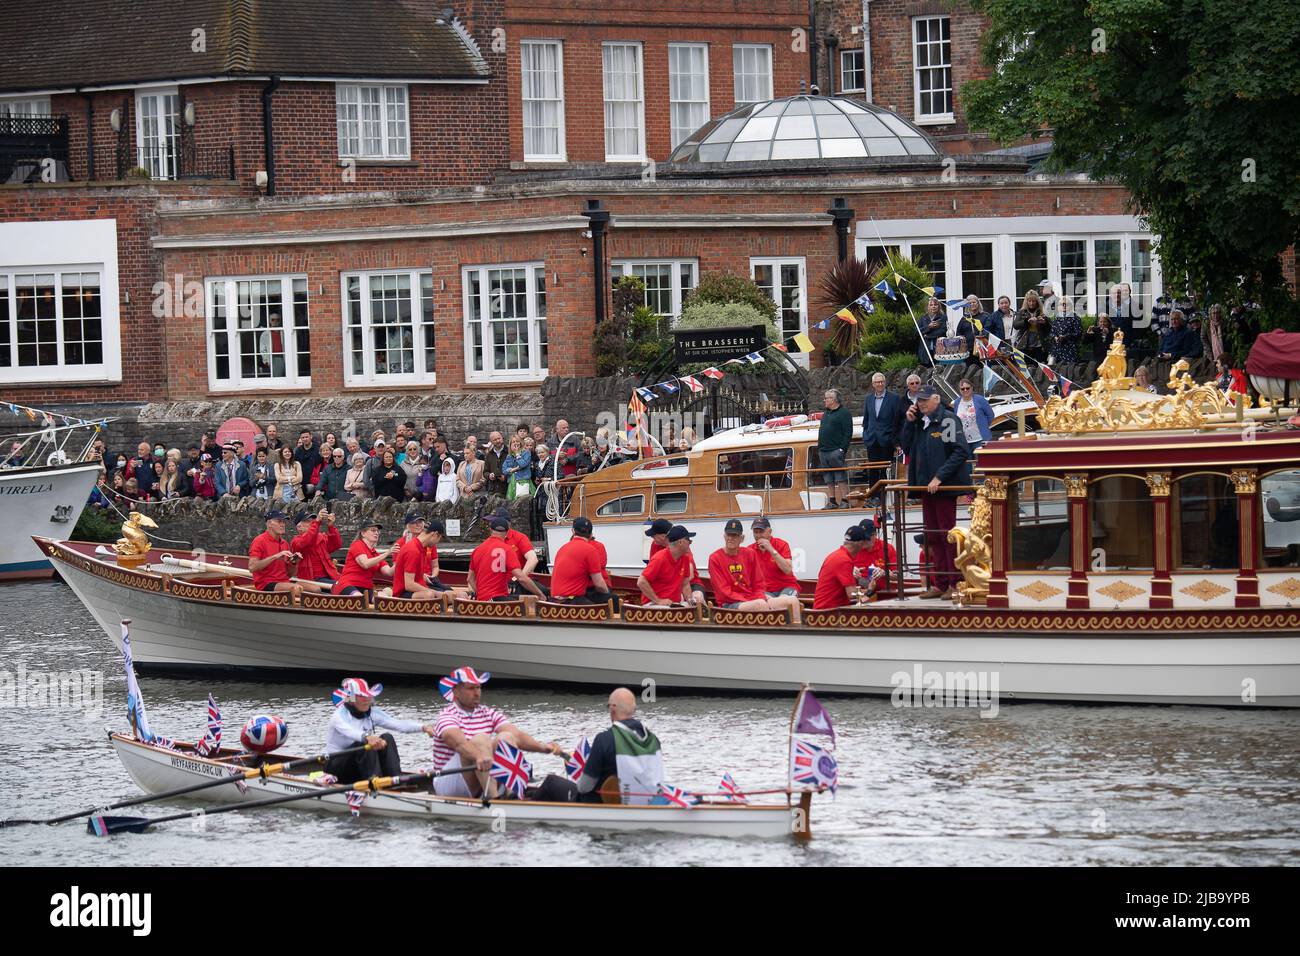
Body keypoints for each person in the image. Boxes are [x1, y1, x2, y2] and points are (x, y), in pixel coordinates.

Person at [431, 667, 564, 799]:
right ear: (456, 691)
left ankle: (512, 794)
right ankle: (493, 798)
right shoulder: (447, 716)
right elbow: (459, 744)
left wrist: (543, 747)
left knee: (506, 737)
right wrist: (479, 756)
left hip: (480, 772)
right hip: (449, 782)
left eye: (478, 687)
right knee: (481, 739)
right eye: (471, 688)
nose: (477, 693)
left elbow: (517, 735)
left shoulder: (487, 713)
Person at [900, 385, 971, 600]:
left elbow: (960, 451)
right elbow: (905, 446)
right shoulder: (921, 423)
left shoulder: (947, 420)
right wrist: (909, 423)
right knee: (933, 537)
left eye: (924, 400)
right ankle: (940, 583)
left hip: (944, 487)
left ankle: (955, 582)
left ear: (936, 399)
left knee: (947, 535)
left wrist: (940, 477)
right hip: (926, 488)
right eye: (918, 401)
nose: (920, 404)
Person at [324, 677, 435, 782]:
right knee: (362, 744)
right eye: (362, 696)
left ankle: (395, 779)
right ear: (351, 699)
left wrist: (423, 727)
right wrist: (368, 737)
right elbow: (351, 732)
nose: (367, 700)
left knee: (387, 737)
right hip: (336, 768)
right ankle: (375, 783)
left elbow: (398, 724)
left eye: (368, 696)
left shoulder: (372, 713)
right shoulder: (339, 715)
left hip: (359, 764)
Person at [575, 687, 665, 805]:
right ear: (633, 710)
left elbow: (584, 787)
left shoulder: (604, 740)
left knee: (551, 784)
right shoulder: (653, 739)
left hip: (604, 805)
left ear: (613, 709)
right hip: (646, 804)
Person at [707, 518, 798, 615]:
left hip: (757, 596)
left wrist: (758, 597)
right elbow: (723, 592)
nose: (730, 538)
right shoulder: (715, 558)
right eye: (728, 534)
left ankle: (792, 630)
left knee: (792, 601)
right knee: (761, 605)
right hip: (730, 603)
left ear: (742, 538)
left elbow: (758, 583)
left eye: (735, 535)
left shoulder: (750, 553)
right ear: (724, 536)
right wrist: (752, 598)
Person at [468, 514, 546, 601]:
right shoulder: (506, 549)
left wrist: (480, 595)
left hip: (483, 600)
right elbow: (521, 578)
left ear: (490, 530)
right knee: (533, 601)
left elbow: (470, 579)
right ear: (506, 532)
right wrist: (540, 594)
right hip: (499, 599)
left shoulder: (477, 550)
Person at [248, 510, 321, 594]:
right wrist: (275, 556)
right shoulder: (259, 541)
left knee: (316, 589)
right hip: (265, 583)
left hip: (284, 581)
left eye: (283, 522)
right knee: (296, 588)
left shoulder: (285, 543)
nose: (283, 524)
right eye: (279, 521)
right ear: (269, 524)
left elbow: (289, 574)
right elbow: (252, 567)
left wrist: (294, 563)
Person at [549, 517, 612, 605]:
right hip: (571, 600)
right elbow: (599, 584)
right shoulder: (591, 550)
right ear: (590, 534)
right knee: (614, 600)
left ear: (573, 531)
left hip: (555, 599)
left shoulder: (562, 548)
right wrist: (609, 596)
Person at [637, 525, 704, 606]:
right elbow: (641, 582)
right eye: (688, 540)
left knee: (694, 610)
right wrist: (658, 600)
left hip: (673, 604)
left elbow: (685, 584)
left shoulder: (685, 558)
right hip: (654, 604)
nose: (690, 542)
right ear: (680, 542)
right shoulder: (659, 558)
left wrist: (691, 603)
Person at [861, 372, 903, 503]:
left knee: (885, 470)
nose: (879, 384)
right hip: (872, 439)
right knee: (873, 470)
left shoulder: (894, 398)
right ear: (873, 384)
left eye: (881, 381)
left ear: (885, 382)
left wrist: (894, 439)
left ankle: (884, 497)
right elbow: (866, 419)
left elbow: (898, 420)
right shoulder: (868, 398)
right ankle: (873, 496)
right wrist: (866, 435)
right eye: (877, 382)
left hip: (887, 439)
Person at [748, 518, 802, 617]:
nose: (759, 535)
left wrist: (771, 549)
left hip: (787, 586)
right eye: (756, 532)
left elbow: (788, 570)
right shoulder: (749, 550)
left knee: (785, 601)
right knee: (771, 603)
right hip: (765, 590)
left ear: (770, 531)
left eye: (762, 531)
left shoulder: (782, 544)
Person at [392, 518, 452, 600]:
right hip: (404, 593)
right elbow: (409, 585)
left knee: (452, 594)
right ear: (435, 534)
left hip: (418, 588)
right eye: (439, 538)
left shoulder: (422, 548)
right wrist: (436, 593)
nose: (438, 542)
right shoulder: (412, 550)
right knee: (429, 595)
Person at [813, 525, 870, 609]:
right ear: (860, 543)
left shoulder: (837, 555)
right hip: (829, 614)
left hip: (826, 611)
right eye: (865, 541)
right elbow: (852, 594)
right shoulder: (844, 560)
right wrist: (870, 591)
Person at [332, 521, 395, 596]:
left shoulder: (376, 554)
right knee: (359, 598)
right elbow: (365, 564)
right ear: (363, 533)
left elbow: (389, 572)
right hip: (348, 585)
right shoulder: (357, 545)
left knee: (383, 599)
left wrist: (400, 558)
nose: (377, 533)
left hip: (366, 588)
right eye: (373, 530)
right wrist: (387, 553)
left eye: (378, 531)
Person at [817, 388, 852, 509]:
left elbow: (848, 433)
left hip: (835, 450)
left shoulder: (844, 413)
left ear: (833, 400)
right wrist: (820, 446)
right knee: (828, 478)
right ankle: (832, 500)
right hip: (824, 450)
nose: (824, 400)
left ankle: (845, 499)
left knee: (840, 476)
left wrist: (842, 449)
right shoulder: (826, 413)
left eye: (827, 398)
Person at [291, 508, 342, 586]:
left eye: (313, 520)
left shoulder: (321, 537)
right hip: (311, 580)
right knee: (344, 587)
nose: (312, 522)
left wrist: (331, 526)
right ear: (299, 527)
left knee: (352, 583)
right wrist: (317, 522)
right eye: (308, 521)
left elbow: (336, 545)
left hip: (329, 576)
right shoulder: (296, 541)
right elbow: (307, 540)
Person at [853, 517, 897, 597]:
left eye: (866, 538)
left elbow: (898, 576)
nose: (863, 541)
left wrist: (885, 573)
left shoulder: (887, 548)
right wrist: (850, 571)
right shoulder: (854, 549)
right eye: (861, 537)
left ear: (875, 535)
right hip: (860, 593)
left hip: (884, 594)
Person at [954, 378, 994, 457]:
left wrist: (984, 426)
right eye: (962, 389)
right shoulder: (957, 402)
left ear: (972, 388)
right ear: (959, 390)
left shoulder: (980, 400)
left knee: (982, 464)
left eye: (967, 388)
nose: (965, 390)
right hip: (965, 441)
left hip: (980, 439)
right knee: (968, 465)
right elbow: (956, 419)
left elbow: (990, 415)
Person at [1013, 289, 1051, 365]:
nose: (1031, 303)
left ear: (1037, 301)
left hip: (1040, 344)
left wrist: (1044, 323)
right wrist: (1027, 321)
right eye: (1029, 301)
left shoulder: (1043, 311)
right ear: (1026, 302)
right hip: (1025, 344)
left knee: (1041, 365)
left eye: (1034, 301)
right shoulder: (1021, 312)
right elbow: (1016, 325)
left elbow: (1050, 328)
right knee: (1026, 366)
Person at [1051, 296, 1082, 367]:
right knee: (1054, 370)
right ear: (1058, 307)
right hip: (1057, 349)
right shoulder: (1056, 318)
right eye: (1062, 304)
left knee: (1068, 371)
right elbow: (1052, 332)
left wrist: (1065, 337)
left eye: (1066, 304)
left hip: (1070, 349)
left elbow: (1078, 333)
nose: (1064, 306)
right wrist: (1055, 337)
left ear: (1071, 306)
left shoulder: (1075, 318)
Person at [501, 435, 534, 500]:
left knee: (523, 503)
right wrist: (513, 469)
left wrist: (517, 454)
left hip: (523, 482)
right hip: (512, 483)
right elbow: (504, 470)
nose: (515, 443)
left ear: (521, 443)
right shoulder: (509, 456)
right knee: (511, 503)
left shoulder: (526, 453)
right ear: (510, 445)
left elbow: (523, 464)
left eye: (517, 441)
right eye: (513, 442)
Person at [482, 431, 508, 498]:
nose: (498, 441)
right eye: (495, 440)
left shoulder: (509, 452)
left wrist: (505, 477)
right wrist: (490, 476)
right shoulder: (489, 455)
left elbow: (514, 469)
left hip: (507, 488)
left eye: (499, 438)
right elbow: (485, 472)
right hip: (493, 489)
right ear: (491, 441)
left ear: (502, 438)